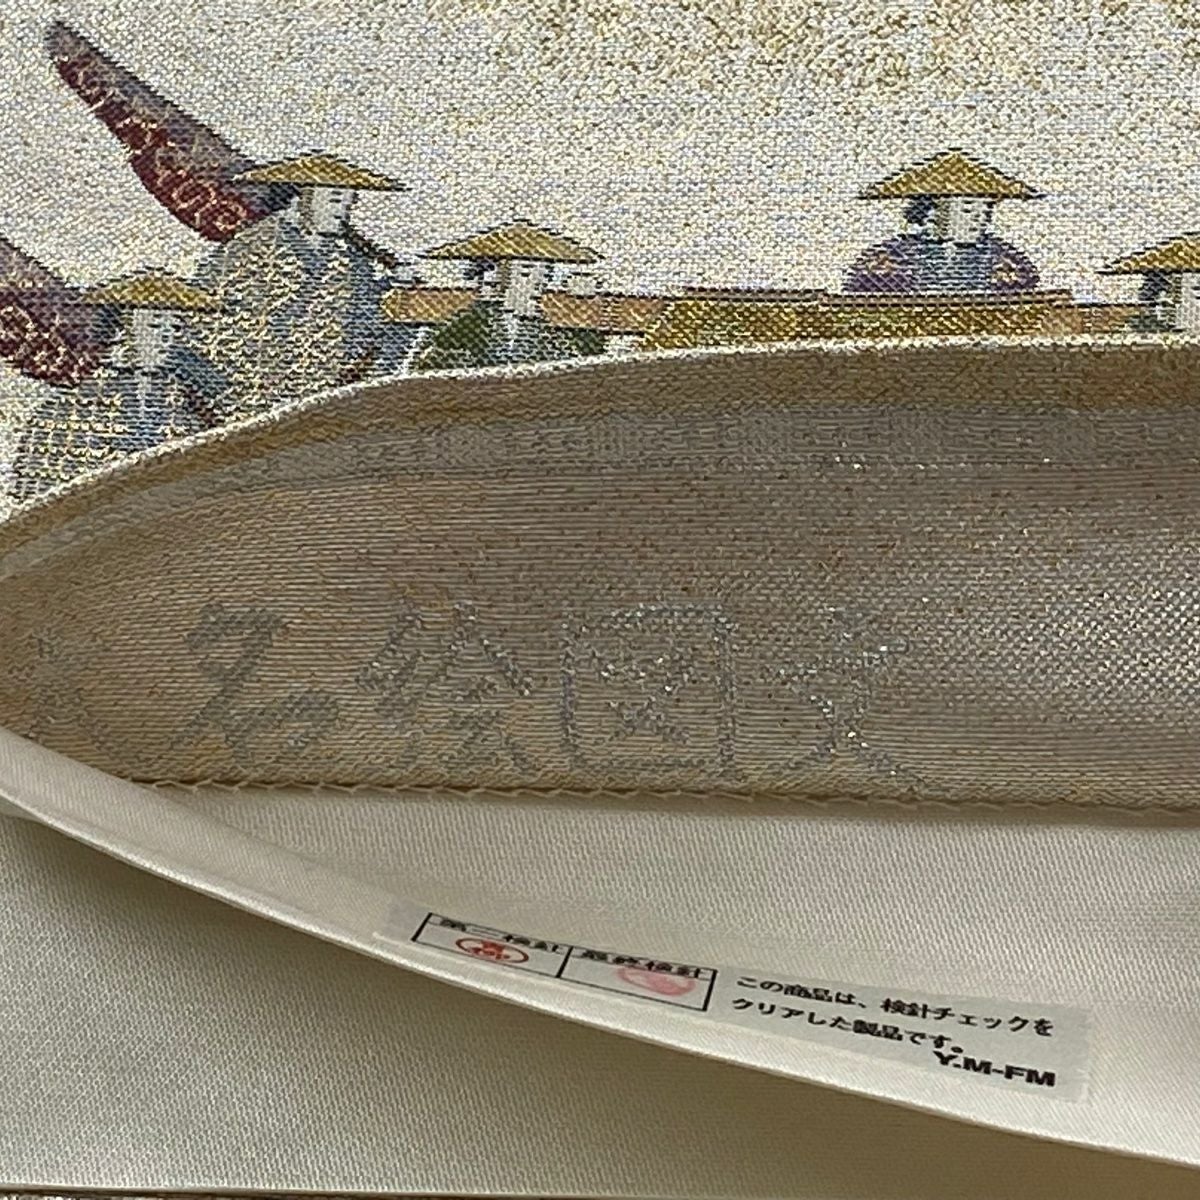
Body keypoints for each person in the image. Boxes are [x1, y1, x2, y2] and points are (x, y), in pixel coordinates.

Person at [191, 153, 416, 418]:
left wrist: (394, 288)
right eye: (334, 200)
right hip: (251, 391)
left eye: (349, 202)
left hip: (320, 395)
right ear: (300, 197)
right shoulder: (249, 250)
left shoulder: (350, 259)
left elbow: (364, 314)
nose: (342, 211)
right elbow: (211, 320)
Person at [11, 273, 226, 501]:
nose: (167, 337)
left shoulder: (188, 409)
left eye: (174, 328)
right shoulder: (68, 410)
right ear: (122, 331)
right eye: (154, 325)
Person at [411, 221, 607, 371]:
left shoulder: (545, 330)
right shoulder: (469, 323)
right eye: (526, 273)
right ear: (499, 277)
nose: (538, 284)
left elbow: (580, 365)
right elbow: (430, 365)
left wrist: (585, 306)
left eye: (545, 275)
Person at [845, 150, 1041, 295]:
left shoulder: (1005, 259)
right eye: (967, 210)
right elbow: (862, 298)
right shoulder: (889, 258)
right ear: (930, 213)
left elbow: (1023, 296)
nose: (979, 219)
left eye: (986, 211)